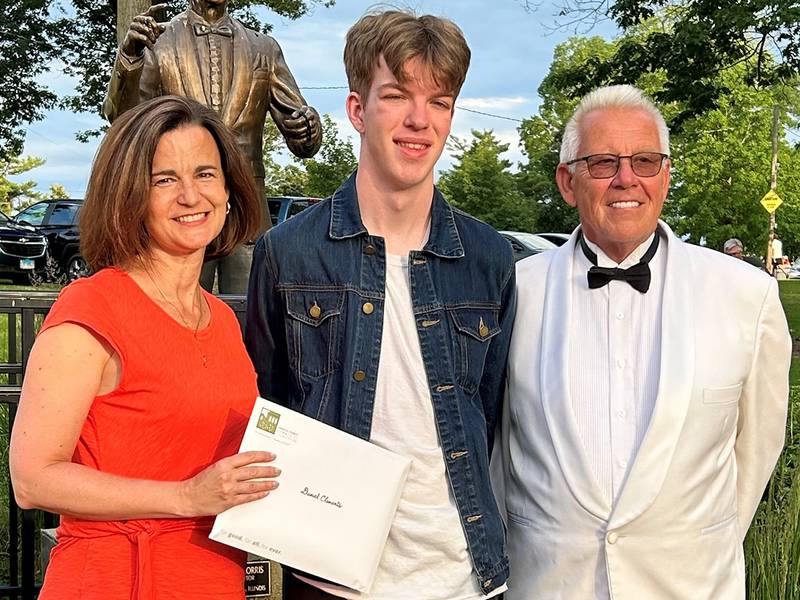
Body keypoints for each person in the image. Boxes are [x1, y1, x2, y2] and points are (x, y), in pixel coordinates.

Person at [245, 9, 514, 599]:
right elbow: (265, 408)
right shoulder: (287, 254)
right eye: (397, 96)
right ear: (358, 110)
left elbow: (486, 415)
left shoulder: (490, 260)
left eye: (439, 101)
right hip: (330, 576)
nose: (420, 120)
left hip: (466, 576)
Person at [496, 85, 791, 599]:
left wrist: (697, 547)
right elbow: (497, 448)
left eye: (645, 161)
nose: (626, 178)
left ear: (666, 175)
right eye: (604, 162)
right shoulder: (513, 291)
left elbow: (759, 447)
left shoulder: (748, 295)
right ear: (568, 182)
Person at [10, 95, 278, 599]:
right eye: (164, 180)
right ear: (128, 194)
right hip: (118, 580)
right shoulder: (93, 309)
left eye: (205, 174)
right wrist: (186, 497)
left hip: (212, 579)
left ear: (228, 189)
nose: (190, 196)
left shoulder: (220, 318)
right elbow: (33, 480)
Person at [104, 0, 323, 293]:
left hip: (247, 212)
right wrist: (129, 58)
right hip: (183, 208)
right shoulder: (158, 43)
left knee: (251, 316)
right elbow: (123, 121)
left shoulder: (263, 48)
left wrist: (307, 128)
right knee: (177, 315)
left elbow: (301, 137)